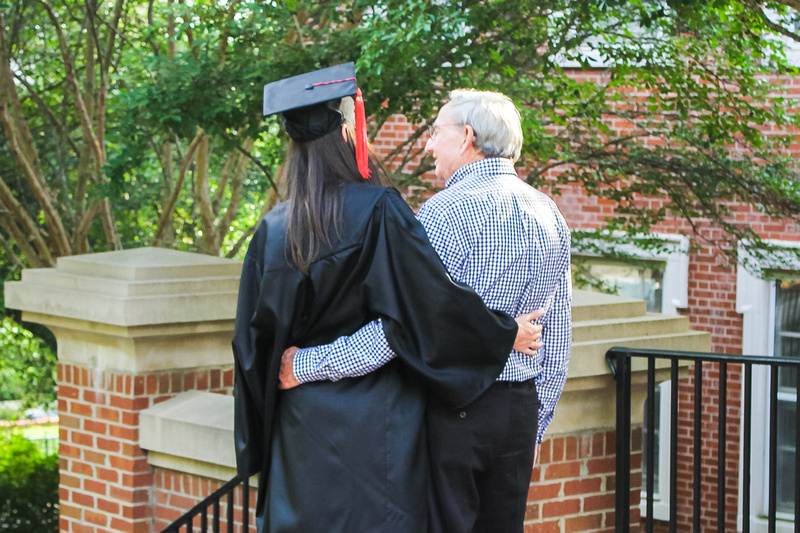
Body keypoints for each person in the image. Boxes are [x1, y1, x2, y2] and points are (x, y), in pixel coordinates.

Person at [232, 64, 542, 533]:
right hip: (377, 425)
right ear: (346, 131)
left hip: (300, 425)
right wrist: (504, 332)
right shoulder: (380, 210)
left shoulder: (274, 230)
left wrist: (263, 430)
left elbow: (250, 348)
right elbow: (428, 305)